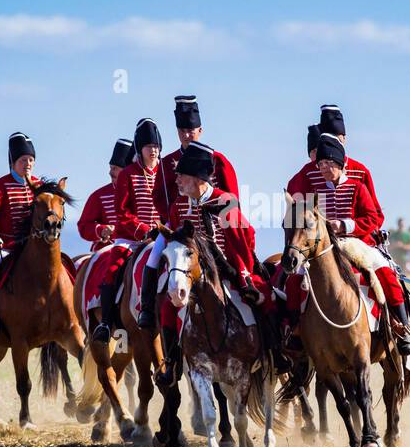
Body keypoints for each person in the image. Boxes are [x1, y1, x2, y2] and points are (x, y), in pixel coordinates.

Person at [150, 142, 285, 388]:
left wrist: (241, 274)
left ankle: (275, 354)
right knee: (168, 307)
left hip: (229, 267)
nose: (176, 180)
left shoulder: (225, 202)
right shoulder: (179, 205)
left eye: (181, 176)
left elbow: (245, 240)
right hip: (194, 272)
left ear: (198, 178)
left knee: (263, 297)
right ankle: (171, 362)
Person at [285, 133, 410, 354]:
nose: (323, 168)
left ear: (339, 163)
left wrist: (345, 225)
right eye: (320, 164)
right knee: (294, 278)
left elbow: (372, 219)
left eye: (327, 163)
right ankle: (295, 327)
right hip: (324, 247)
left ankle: (401, 326)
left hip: (357, 243)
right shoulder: (315, 194)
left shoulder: (357, 187)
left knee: (385, 272)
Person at [89, 118, 167, 344]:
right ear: (139, 149)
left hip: (161, 235)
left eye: (156, 147)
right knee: (113, 268)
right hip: (131, 238)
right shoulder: (128, 174)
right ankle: (105, 322)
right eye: (148, 147)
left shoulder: (164, 173)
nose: (153, 151)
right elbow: (122, 212)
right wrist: (143, 231)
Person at [0, 132, 40, 335]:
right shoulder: (0, 186)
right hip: (5, 246)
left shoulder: (39, 186)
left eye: (31, 160)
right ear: (13, 162)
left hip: (33, 246)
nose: (28, 164)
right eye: (23, 160)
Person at [159, 96, 240, 213]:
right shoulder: (166, 163)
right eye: (182, 131)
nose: (186, 136)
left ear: (200, 130)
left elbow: (232, 198)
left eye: (191, 131)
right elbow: (160, 199)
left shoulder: (218, 159)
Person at [77, 139, 134, 248]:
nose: (110, 172)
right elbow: (83, 226)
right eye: (111, 168)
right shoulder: (99, 196)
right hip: (106, 252)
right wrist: (101, 230)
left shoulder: (142, 192)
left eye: (115, 168)